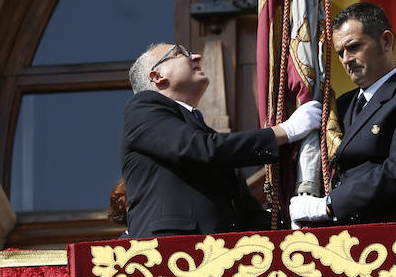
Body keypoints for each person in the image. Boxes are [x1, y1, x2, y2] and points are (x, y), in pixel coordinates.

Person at [122, 42, 320, 238]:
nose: (196, 57)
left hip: (217, 256)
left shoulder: (205, 135)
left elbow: (247, 213)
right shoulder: (142, 109)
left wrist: (295, 231)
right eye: (180, 53)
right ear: (157, 76)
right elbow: (201, 149)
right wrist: (285, 131)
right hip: (170, 251)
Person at [288, 2, 396, 227]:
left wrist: (330, 205)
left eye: (354, 47)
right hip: (344, 238)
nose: (346, 59)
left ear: (386, 41)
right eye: (340, 52)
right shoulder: (341, 106)